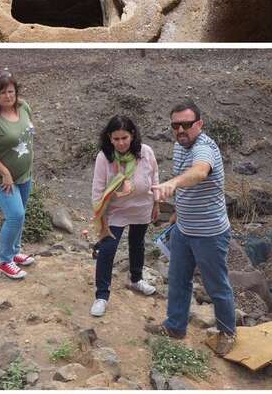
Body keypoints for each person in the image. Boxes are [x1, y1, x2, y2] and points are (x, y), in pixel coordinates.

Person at [153, 100, 237, 356]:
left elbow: (200, 172)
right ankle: (175, 326)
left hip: (210, 234)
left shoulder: (204, 147)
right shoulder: (180, 146)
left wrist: (173, 183)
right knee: (178, 280)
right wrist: (178, 212)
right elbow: (190, 184)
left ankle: (228, 332)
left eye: (186, 125)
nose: (180, 130)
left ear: (199, 124)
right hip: (184, 230)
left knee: (217, 287)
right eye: (175, 125)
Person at [89, 116, 159, 317]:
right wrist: (100, 218)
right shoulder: (105, 157)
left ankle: (136, 279)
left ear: (132, 135)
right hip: (116, 210)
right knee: (107, 249)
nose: (120, 143)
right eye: (116, 138)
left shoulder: (145, 152)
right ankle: (101, 296)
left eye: (124, 138)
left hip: (142, 206)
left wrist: (157, 203)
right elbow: (98, 188)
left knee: (137, 243)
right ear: (109, 138)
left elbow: (154, 176)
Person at [0, 70, 37, 279]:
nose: (8, 96)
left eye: (11, 91)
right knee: (15, 215)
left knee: (21, 215)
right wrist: (5, 172)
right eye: (2, 93)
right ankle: (4, 260)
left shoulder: (24, 107)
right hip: (1, 178)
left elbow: (26, 134)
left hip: (24, 174)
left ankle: (15, 251)